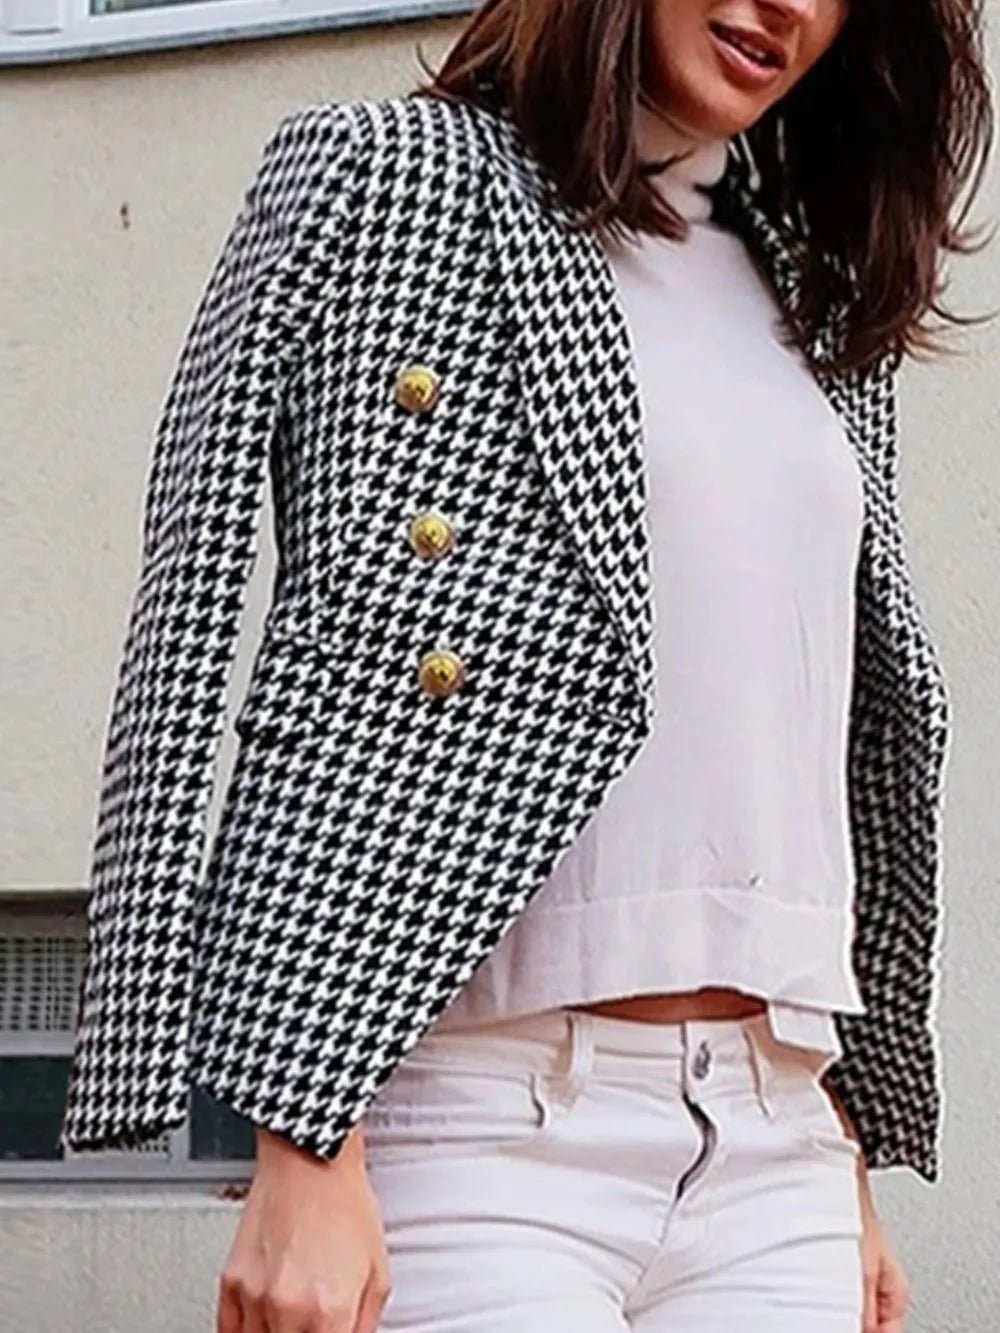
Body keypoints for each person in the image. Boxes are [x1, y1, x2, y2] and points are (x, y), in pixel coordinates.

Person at [59, 1, 991, 1331]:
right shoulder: (390, 178)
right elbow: (198, 615)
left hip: (772, 1138)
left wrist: (838, 1131)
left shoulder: (814, 285)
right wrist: (299, 1133)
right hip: (475, 1127)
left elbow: (816, 718)